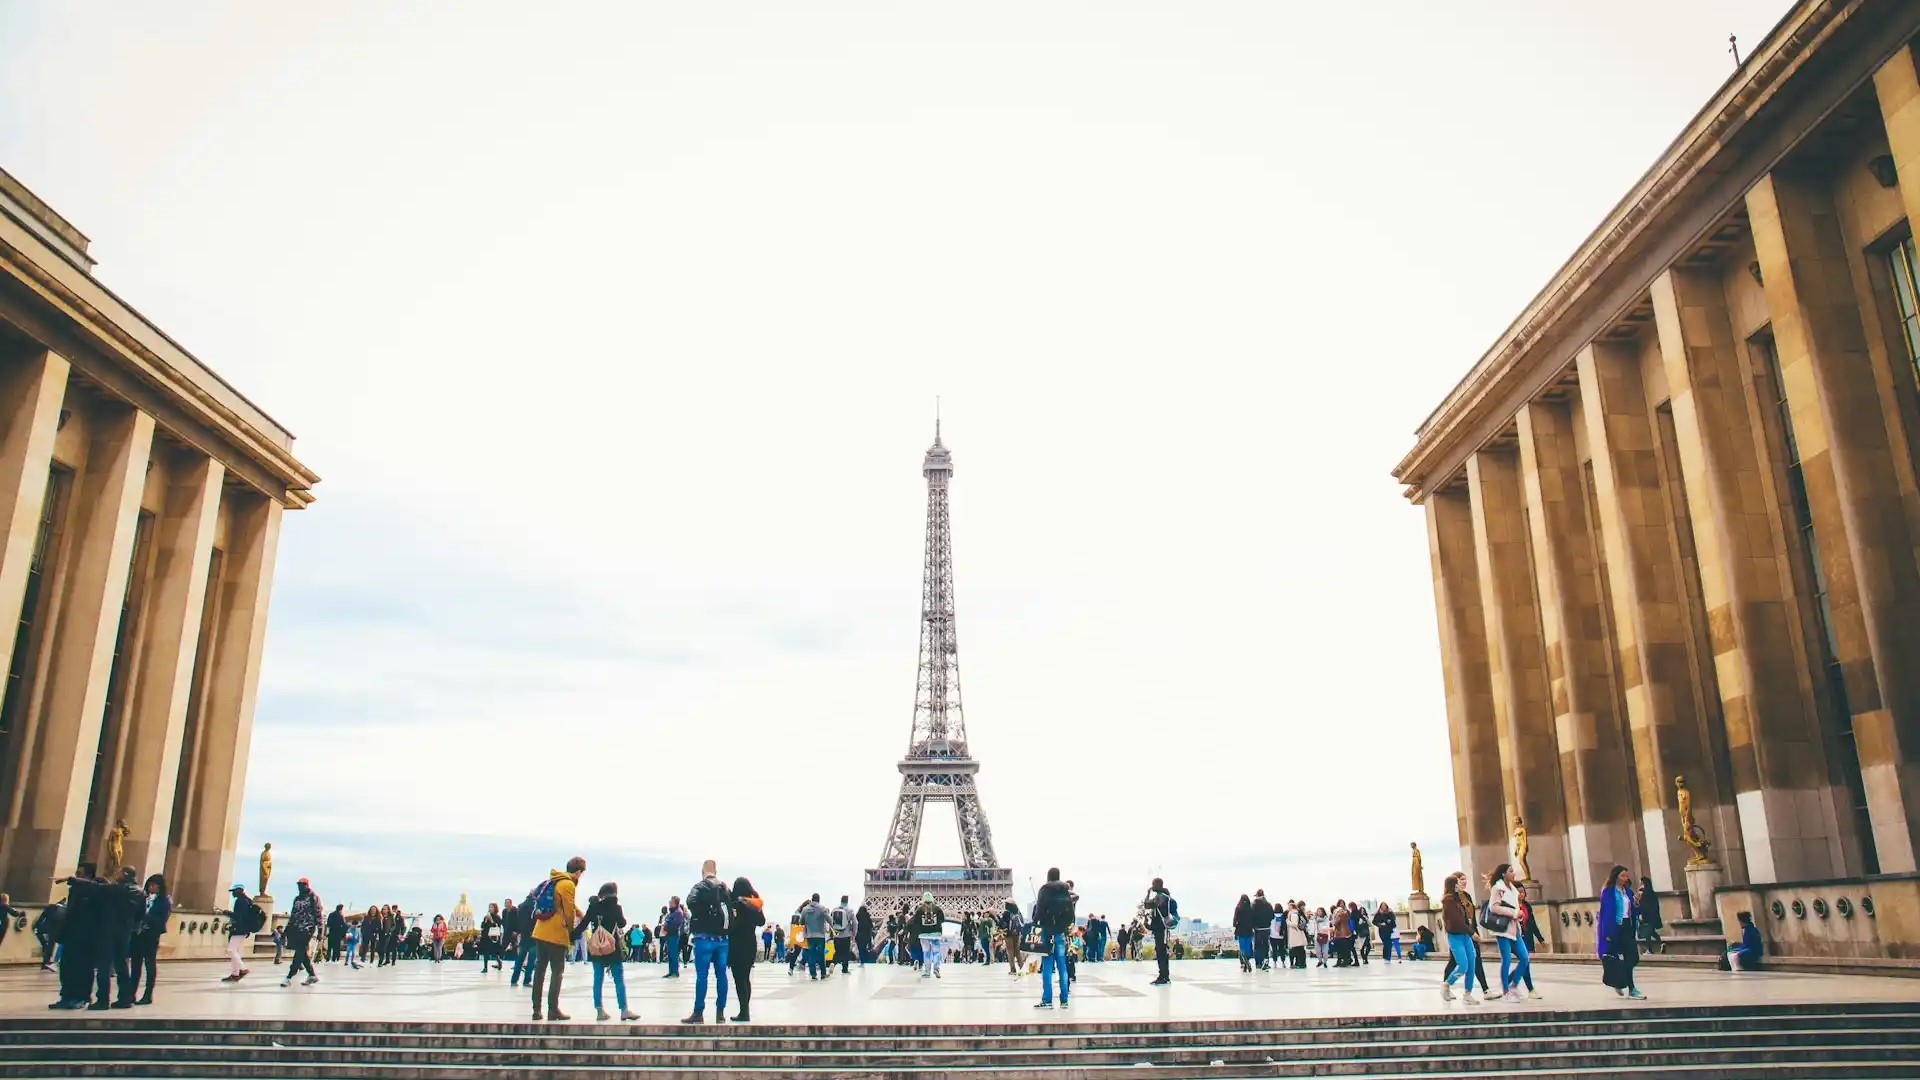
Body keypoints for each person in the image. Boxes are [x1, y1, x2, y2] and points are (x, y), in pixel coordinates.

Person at [529, 856, 586, 1022]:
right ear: (578, 872)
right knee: (557, 972)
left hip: (541, 930)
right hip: (556, 933)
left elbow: (562, 903)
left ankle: (536, 1010)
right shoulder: (568, 884)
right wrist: (571, 931)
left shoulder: (555, 880)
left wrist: (579, 912)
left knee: (539, 971)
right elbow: (568, 911)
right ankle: (553, 1010)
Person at [681, 859, 732, 1025]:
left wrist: (702, 914)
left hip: (703, 938)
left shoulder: (699, 886)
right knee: (721, 975)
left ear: (703, 871)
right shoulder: (724, 888)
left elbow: (690, 902)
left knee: (702, 976)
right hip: (723, 939)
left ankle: (698, 1012)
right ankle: (720, 1013)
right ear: (716, 871)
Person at [579, 882, 636, 1021]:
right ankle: (624, 1010)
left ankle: (599, 1010)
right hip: (612, 947)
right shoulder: (616, 907)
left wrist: (570, 936)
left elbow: (583, 924)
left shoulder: (593, 906)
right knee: (619, 980)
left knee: (597, 979)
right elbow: (622, 923)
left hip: (597, 948)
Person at [1597, 864, 1646, 999]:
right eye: (1623, 876)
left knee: (1632, 957)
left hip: (1627, 926)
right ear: (1616, 876)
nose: (1625, 878)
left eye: (1626, 876)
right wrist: (1607, 933)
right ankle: (1631, 988)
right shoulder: (1608, 892)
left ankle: (1619, 982)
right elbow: (1606, 912)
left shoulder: (1628, 891)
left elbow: (1633, 910)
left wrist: (1636, 903)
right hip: (1615, 927)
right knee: (1618, 958)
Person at [1485, 863, 1531, 1001]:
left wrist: (1518, 914)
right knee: (1506, 960)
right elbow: (1493, 908)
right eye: (1510, 871)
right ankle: (1505, 991)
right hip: (1503, 929)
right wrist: (1513, 913)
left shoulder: (1513, 889)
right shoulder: (1497, 888)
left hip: (1515, 928)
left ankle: (1514, 985)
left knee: (1524, 958)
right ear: (1504, 873)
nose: (1513, 873)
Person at [1034, 868, 1074, 1009]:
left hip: (1047, 932)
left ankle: (1047, 999)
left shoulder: (1044, 890)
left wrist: (1041, 921)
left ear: (1048, 876)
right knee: (1062, 967)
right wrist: (1063, 925)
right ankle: (1064, 1000)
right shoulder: (1065, 891)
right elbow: (1071, 915)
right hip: (1061, 933)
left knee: (1047, 967)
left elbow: (1038, 913)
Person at [728, 877, 765, 1022]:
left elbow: (733, 925)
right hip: (750, 943)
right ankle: (745, 1010)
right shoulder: (753, 903)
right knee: (746, 978)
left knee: (739, 979)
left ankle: (744, 1012)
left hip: (737, 944)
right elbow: (761, 921)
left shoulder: (736, 903)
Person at [1439, 872, 1479, 1004]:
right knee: (1463, 965)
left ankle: (1468, 993)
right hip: (1455, 936)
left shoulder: (1458, 899)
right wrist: (1472, 933)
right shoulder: (1449, 900)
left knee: (1472, 964)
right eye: (1457, 882)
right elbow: (1456, 921)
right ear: (1453, 885)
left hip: (1465, 935)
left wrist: (1470, 932)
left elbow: (1465, 918)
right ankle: (1446, 985)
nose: (1460, 884)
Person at [218, 883, 263, 984]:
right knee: (235, 951)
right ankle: (235, 974)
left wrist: (227, 913)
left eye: (234, 891)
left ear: (239, 890)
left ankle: (243, 969)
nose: (232, 893)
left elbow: (239, 916)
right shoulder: (247, 901)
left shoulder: (240, 901)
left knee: (231, 950)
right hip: (244, 929)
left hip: (239, 929)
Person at [284, 878, 323, 987]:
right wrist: (287, 929)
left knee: (300, 950)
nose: (300, 887)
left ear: (307, 885)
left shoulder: (313, 897)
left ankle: (289, 976)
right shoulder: (297, 898)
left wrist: (320, 931)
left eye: (302, 885)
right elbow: (293, 914)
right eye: (299, 885)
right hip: (296, 928)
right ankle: (312, 975)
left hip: (308, 928)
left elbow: (318, 914)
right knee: (302, 952)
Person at [909, 891, 955, 978]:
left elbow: (915, 921)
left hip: (924, 934)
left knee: (926, 953)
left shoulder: (919, 909)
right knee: (936, 952)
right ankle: (936, 969)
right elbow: (942, 920)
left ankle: (927, 971)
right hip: (935, 934)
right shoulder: (937, 909)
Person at [1143, 877, 1175, 986]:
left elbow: (1147, 904)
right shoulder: (1164, 897)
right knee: (1161, 952)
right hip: (1161, 929)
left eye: (1153, 884)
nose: (1152, 887)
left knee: (1161, 952)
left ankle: (1163, 976)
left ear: (1158, 885)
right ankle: (1164, 975)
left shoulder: (1161, 897)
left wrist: (1147, 893)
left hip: (1162, 929)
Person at [799, 893, 831, 980]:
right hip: (820, 935)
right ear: (819, 899)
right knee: (821, 954)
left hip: (809, 935)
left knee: (811, 955)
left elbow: (801, 922)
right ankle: (823, 973)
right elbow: (829, 919)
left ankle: (813, 974)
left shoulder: (805, 909)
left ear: (812, 899)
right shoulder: (822, 908)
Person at [660, 896, 687, 979]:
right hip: (669, 935)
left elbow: (675, 924)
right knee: (670, 954)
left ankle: (675, 972)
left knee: (673, 954)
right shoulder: (672, 912)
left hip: (673, 935)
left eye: (671, 902)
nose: (669, 904)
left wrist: (666, 929)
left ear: (675, 903)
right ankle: (671, 971)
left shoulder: (678, 912)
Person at [1637, 877, 1665, 954]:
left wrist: (1641, 914)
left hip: (1646, 915)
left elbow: (1642, 905)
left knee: (1647, 933)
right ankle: (1661, 943)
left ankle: (1649, 949)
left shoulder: (1643, 893)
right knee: (1651, 932)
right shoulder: (1652, 892)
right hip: (1653, 915)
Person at [999, 899, 1026, 975]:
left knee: (1010, 951)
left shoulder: (1006, 913)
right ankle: (1022, 967)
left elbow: (1001, 923)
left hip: (1008, 934)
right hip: (1016, 934)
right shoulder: (1018, 912)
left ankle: (1013, 969)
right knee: (1017, 951)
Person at [831, 895, 856, 975]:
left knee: (837, 951)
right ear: (847, 901)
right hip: (846, 935)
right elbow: (855, 923)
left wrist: (833, 932)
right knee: (845, 952)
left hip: (837, 935)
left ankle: (833, 963)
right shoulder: (850, 910)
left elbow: (831, 922)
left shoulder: (834, 910)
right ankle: (845, 969)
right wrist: (854, 933)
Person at [1231, 894, 1257, 973]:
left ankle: (1245, 962)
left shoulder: (1238, 908)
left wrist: (1236, 925)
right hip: (1249, 930)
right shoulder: (1251, 908)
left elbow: (1235, 921)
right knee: (1248, 947)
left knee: (1242, 948)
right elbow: (1254, 920)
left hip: (1241, 930)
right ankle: (1247, 962)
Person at [480, 902, 505, 972]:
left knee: (494, 952)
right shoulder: (486, 917)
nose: (490, 909)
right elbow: (482, 926)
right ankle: (485, 967)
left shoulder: (497, 917)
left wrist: (491, 920)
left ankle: (499, 961)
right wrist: (485, 920)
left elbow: (497, 926)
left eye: (492, 907)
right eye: (489, 907)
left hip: (493, 937)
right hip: (486, 936)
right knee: (486, 952)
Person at [856, 902, 874, 966]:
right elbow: (871, 927)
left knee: (860, 949)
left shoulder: (857, 917)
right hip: (866, 935)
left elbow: (855, 926)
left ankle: (862, 961)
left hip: (859, 935)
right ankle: (866, 960)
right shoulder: (868, 917)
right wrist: (870, 937)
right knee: (864, 948)